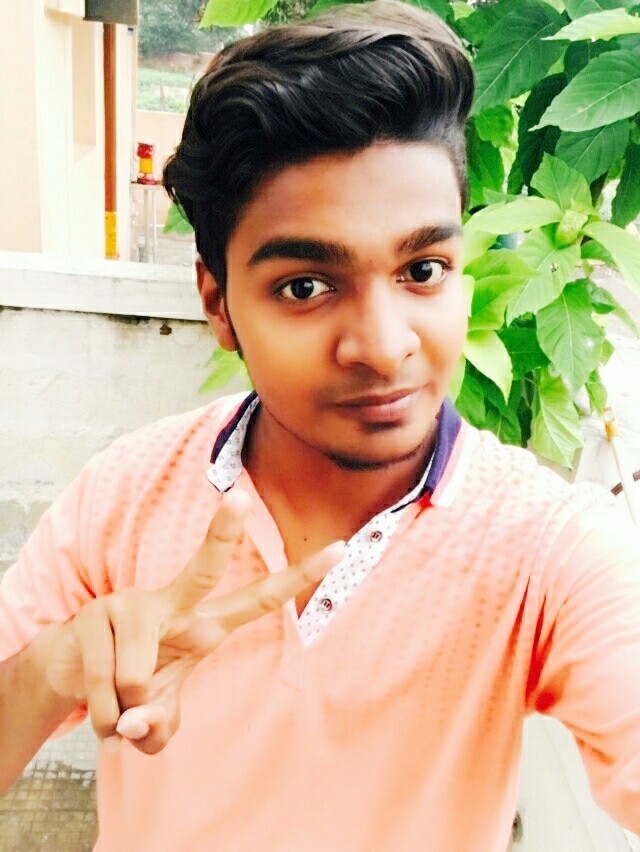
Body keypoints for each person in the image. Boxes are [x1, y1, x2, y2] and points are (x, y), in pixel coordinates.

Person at [1, 1, 639, 848]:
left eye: (422, 270)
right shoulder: (123, 499)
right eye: (306, 286)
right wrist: (60, 664)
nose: (382, 346)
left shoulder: (542, 548)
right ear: (217, 303)